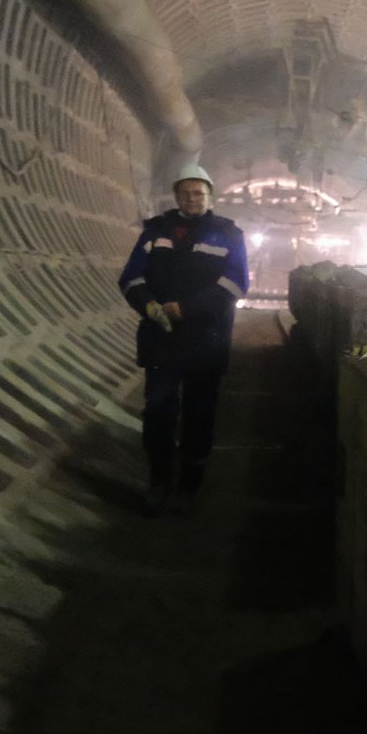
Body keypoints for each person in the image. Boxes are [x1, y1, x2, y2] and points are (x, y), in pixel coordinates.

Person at [117, 163, 249, 514]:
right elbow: (131, 276)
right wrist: (149, 306)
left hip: (206, 339)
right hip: (161, 338)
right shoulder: (155, 231)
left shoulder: (227, 234)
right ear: (176, 196)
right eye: (187, 193)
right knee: (158, 411)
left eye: (199, 193)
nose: (193, 199)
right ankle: (159, 480)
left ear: (210, 196)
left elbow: (235, 283)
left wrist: (186, 309)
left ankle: (188, 488)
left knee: (198, 414)